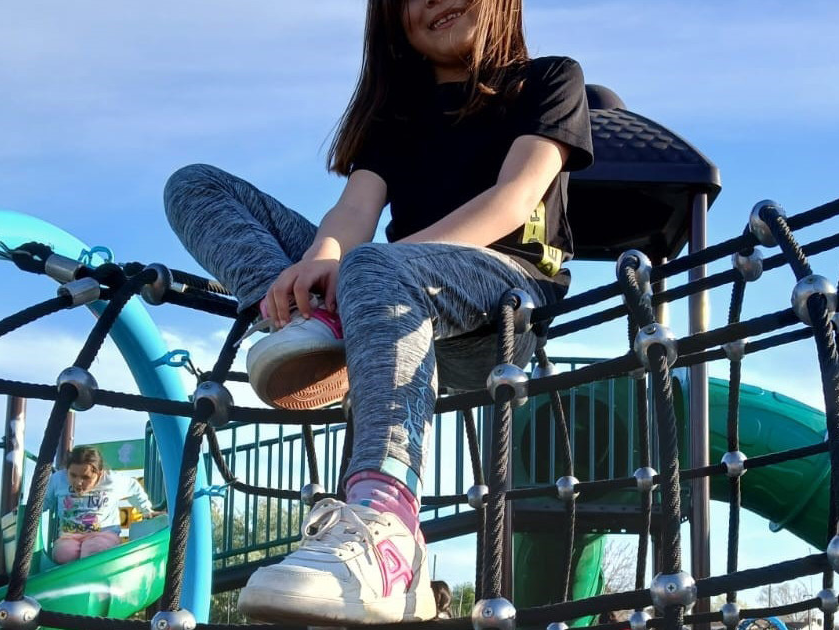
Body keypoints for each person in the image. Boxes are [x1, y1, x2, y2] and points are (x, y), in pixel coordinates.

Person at [163, 0, 592, 624]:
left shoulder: (548, 79)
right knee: (196, 184)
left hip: (504, 300)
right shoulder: (400, 114)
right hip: (386, 296)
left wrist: (365, 268)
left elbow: (514, 197)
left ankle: (388, 525)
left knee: (370, 263)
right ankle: (309, 323)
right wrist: (320, 264)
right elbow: (352, 213)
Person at [46, 446, 162, 564]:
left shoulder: (112, 480)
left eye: (86, 477)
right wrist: (34, 512)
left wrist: (146, 510)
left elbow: (134, 488)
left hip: (104, 534)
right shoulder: (58, 480)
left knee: (94, 551)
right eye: (73, 475)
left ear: (99, 473)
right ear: (67, 470)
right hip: (69, 536)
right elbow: (45, 500)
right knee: (63, 554)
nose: (78, 482)